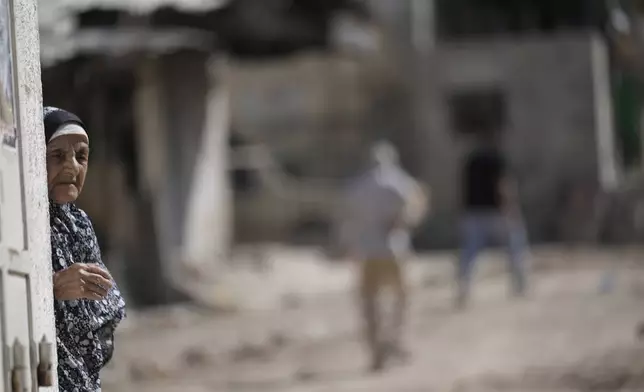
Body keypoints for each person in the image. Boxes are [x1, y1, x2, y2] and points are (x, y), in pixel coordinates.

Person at [44, 107, 126, 391]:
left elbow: (108, 305)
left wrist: (96, 291)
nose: (72, 167)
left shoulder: (79, 224)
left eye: (81, 156)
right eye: (57, 156)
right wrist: (51, 288)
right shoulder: (19, 226)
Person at [334, 141, 428, 372]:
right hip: (394, 250)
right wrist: (402, 222)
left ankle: (377, 352)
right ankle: (395, 340)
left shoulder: (357, 186)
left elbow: (346, 220)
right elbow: (416, 205)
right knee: (402, 298)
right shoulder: (398, 182)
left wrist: (347, 245)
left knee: (370, 302)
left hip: (367, 252)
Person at [457, 130, 528, 309]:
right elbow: (504, 186)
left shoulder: (470, 161)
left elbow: (462, 190)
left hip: (473, 212)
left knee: (469, 253)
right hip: (496, 212)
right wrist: (512, 209)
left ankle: (464, 288)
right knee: (515, 247)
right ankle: (520, 285)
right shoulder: (498, 159)